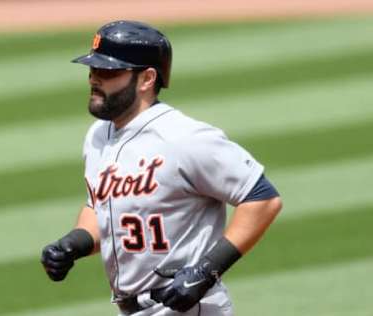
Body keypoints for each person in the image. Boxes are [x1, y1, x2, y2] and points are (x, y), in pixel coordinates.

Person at [41, 20, 282, 316]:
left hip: (187, 309)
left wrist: (206, 272)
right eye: (92, 70)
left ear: (146, 79)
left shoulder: (183, 138)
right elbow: (103, 206)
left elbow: (262, 198)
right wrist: (73, 244)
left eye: (108, 71)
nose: (94, 79)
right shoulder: (97, 136)